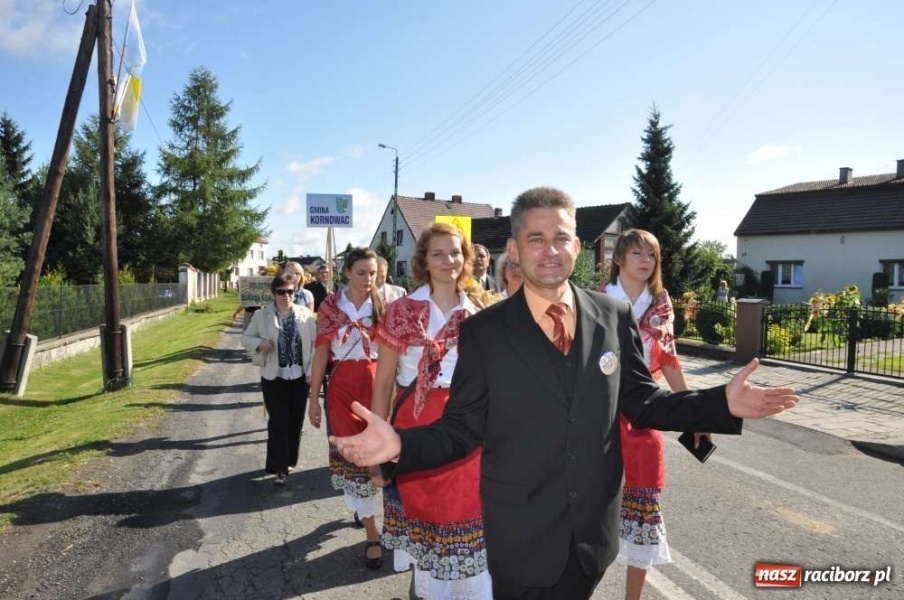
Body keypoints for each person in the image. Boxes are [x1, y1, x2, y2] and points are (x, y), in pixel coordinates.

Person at [329, 186, 799, 599]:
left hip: (591, 536)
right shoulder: (485, 331)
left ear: (577, 246)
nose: (549, 249)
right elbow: (463, 428)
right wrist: (400, 445)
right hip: (519, 536)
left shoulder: (614, 316)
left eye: (560, 238)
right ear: (513, 248)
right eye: (536, 238)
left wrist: (717, 404)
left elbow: (641, 401)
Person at [372, 222, 492, 599]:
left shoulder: (479, 315)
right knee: (425, 527)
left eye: (455, 252)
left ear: (466, 258)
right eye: (437, 253)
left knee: (467, 521)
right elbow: (384, 382)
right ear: (424, 260)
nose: (448, 260)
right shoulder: (401, 311)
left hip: (467, 427)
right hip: (415, 426)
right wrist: (377, 446)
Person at [599, 229, 708, 600]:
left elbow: (669, 360)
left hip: (644, 411)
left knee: (644, 505)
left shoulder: (661, 304)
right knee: (592, 509)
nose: (645, 260)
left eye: (651, 254)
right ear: (619, 259)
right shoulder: (595, 300)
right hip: (600, 413)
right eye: (637, 253)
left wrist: (695, 412)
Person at [306, 247, 385, 569]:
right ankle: (372, 534)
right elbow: (321, 356)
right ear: (347, 272)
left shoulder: (385, 304)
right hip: (341, 389)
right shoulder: (330, 306)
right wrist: (313, 400)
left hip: (378, 386)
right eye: (362, 273)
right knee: (357, 461)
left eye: (374, 273)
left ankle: (381, 518)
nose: (368, 279)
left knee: (384, 460)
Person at [241, 273, 315, 486]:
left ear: (296, 292)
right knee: (278, 422)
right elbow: (245, 337)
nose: (286, 296)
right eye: (281, 292)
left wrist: (311, 370)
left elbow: (317, 345)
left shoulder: (306, 315)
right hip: (274, 377)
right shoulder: (262, 316)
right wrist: (259, 343)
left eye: (290, 291)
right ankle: (279, 468)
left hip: (299, 377)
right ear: (273, 293)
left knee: (295, 422)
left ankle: (289, 460)